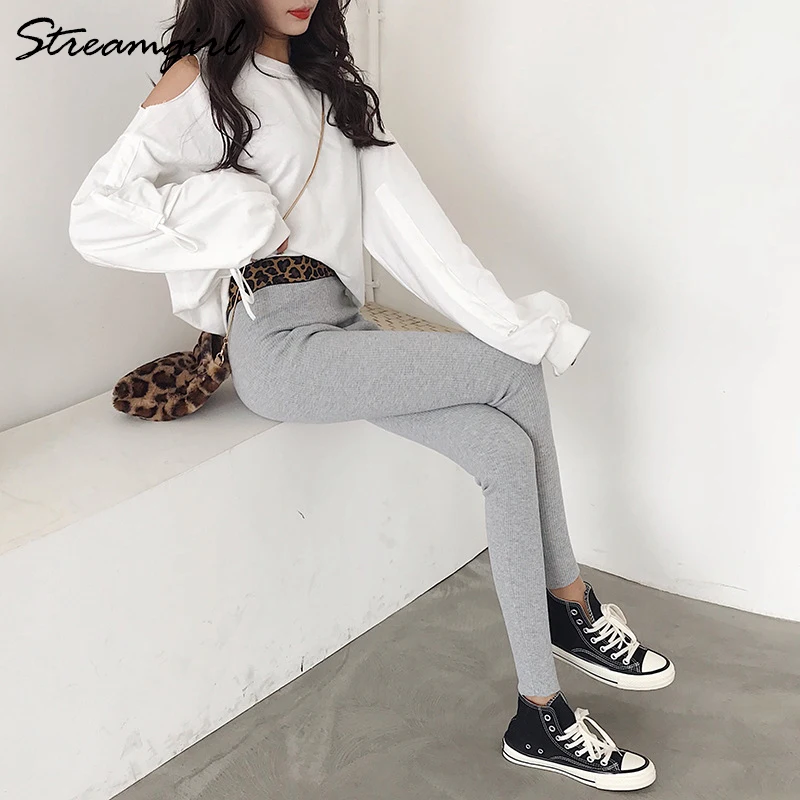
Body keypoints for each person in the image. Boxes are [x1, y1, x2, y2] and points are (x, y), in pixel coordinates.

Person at [68, 1, 674, 791]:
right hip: (279, 345)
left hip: (344, 328)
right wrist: (229, 210)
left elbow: (420, 238)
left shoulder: (334, 95)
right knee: (512, 374)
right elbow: (96, 215)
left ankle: (539, 712)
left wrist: (510, 322)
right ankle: (571, 599)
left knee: (502, 445)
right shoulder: (201, 81)